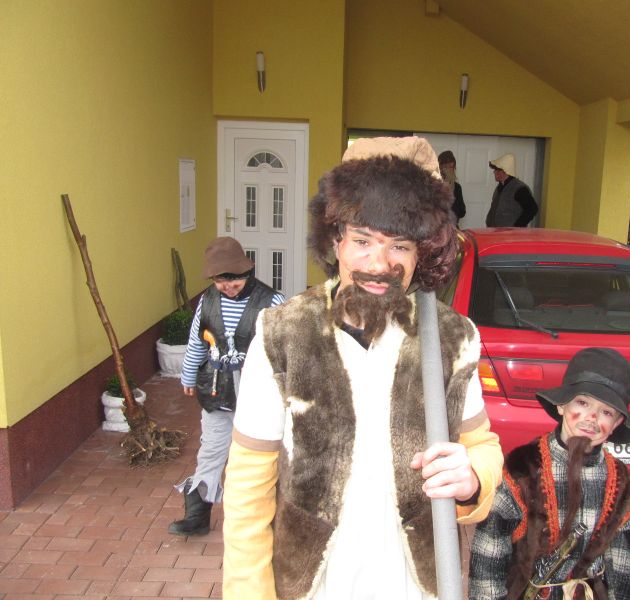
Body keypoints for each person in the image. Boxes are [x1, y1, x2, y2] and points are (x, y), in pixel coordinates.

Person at [223, 136, 504, 599]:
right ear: (335, 242)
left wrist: (473, 478)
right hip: (314, 585)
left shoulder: (455, 339)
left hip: (417, 585)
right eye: (362, 240)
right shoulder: (281, 335)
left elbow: (483, 447)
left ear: (420, 255)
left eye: (400, 246)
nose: (380, 263)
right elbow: (247, 488)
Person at [469, 347, 630, 600]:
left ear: (617, 423)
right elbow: (489, 553)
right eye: (583, 403)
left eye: (606, 412)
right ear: (562, 405)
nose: (591, 417)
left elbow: (627, 564)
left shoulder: (620, 483)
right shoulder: (522, 469)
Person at [167, 236, 284, 536]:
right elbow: (197, 342)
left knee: (263, 453)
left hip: (257, 391)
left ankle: (269, 516)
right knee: (212, 448)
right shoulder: (207, 301)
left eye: (234, 279)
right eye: (221, 280)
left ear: (247, 272)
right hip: (216, 389)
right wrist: (188, 375)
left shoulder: (272, 301)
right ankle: (197, 516)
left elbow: (286, 348)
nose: (228, 286)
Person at [485, 153, 538, 227]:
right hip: (494, 231)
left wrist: (516, 227)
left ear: (504, 171)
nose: (494, 172)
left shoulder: (520, 189)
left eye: (496, 170)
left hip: (510, 233)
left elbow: (532, 209)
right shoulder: (500, 187)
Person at [438, 150, 466, 225]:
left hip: (453, 227)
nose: (449, 170)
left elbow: (462, 212)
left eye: (451, 167)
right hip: (438, 228)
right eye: (445, 167)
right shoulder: (434, 186)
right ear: (440, 168)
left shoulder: (457, 187)